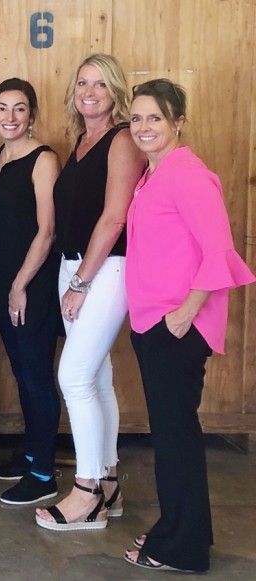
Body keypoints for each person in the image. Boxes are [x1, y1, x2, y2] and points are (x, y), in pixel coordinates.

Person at [123, 80, 254, 572]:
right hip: (154, 322)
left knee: (176, 436)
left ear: (178, 122)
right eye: (136, 118)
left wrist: (186, 311)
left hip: (175, 325)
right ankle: (175, 530)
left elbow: (219, 249)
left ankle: (185, 547)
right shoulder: (154, 174)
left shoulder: (188, 174)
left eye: (155, 118)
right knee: (170, 434)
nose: (144, 127)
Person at [35, 54, 145, 531]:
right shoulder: (81, 141)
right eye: (83, 82)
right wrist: (73, 274)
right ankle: (110, 482)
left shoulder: (122, 140)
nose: (90, 91)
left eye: (100, 83)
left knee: (74, 377)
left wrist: (82, 282)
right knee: (96, 376)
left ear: (115, 89)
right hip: (74, 264)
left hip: (107, 269)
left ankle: (86, 494)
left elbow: (115, 217)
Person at [0, 79, 62, 505]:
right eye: (2, 109)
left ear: (32, 114)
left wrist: (19, 285)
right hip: (6, 285)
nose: (10, 117)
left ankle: (44, 473)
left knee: (36, 379)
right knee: (23, 375)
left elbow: (46, 232)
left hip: (32, 287)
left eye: (19, 109)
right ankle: (30, 452)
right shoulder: (0, 156)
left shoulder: (43, 159)